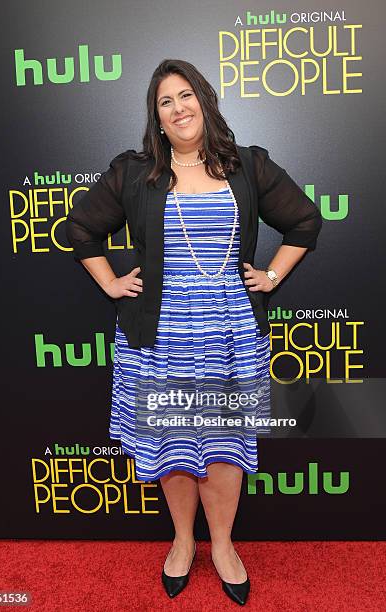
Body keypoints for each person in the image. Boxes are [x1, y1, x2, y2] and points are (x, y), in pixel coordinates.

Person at [65, 59, 322, 606]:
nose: (179, 108)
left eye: (187, 96)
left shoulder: (248, 167)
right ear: (156, 118)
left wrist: (271, 274)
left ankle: (224, 545)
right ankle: (183, 540)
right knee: (173, 447)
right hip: (160, 339)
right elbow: (81, 228)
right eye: (166, 102)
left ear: (204, 102)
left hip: (229, 336)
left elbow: (305, 221)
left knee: (226, 450)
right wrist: (110, 281)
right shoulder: (135, 172)